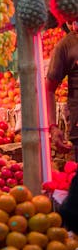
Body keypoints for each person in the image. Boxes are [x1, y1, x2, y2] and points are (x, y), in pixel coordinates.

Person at [46, 20, 78, 161]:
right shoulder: (64, 47)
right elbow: (49, 89)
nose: (75, 26)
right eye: (70, 21)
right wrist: (53, 126)